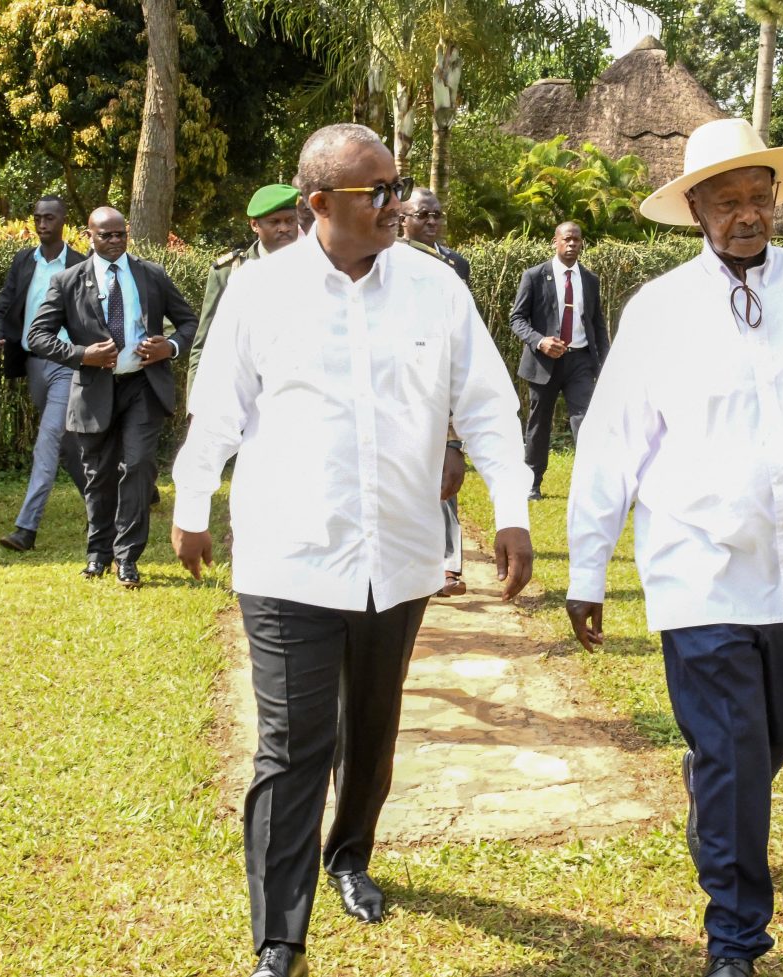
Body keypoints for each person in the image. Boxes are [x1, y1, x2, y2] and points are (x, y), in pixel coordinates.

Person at [171, 123, 533, 977]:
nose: (396, 205)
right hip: (290, 553)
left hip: (398, 555)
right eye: (377, 192)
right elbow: (215, 408)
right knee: (293, 743)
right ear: (318, 203)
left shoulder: (436, 290)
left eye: (397, 186)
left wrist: (511, 507)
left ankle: (351, 857)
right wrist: (192, 501)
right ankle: (279, 938)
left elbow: (484, 403)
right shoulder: (261, 293)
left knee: (370, 732)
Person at [564, 118, 783, 977]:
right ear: (695, 208)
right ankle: (735, 942)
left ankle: (714, 783)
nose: (746, 215)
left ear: (776, 199)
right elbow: (610, 443)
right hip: (698, 565)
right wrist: (588, 570)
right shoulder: (659, 310)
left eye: (758, 198)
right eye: (727, 202)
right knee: (739, 755)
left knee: (780, 732)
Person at [28, 206, 198, 588]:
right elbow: (38, 336)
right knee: (98, 475)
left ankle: (127, 558)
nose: (115, 241)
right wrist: (81, 355)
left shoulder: (151, 274)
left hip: (142, 385)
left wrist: (168, 347)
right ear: (89, 236)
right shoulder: (68, 281)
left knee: (138, 467)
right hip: (94, 390)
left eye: (121, 234)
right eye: (106, 235)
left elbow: (188, 321)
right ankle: (97, 553)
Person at [0, 195, 88, 551]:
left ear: (63, 221)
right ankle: (106, 506)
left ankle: (26, 529)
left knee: (46, 441)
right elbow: (4, 304)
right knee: (67, 446)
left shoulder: (79, 264)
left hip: (66, 365)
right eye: (38, 218)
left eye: (49, 218)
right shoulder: (23, 261)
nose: (42, 224)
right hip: (32, 363)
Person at [399, 186, 470, 597]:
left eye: (436, 215)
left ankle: (448, 567)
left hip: (436, 380)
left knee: (444, 473)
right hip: (399, 383)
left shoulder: (454, 265)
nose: (430, 222)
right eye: (422, 215)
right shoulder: (384, 260)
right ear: (403, 219)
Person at [509, 221, 608, 500]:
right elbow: (517, 318)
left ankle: (593, 483)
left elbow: (597, 324)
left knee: (586, 421)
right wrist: (540, 341)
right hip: (544, 362)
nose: (572, 244)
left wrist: (605, 364)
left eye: (577, 239)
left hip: (580, 361)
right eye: (567, 239)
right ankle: (532, 482)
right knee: (539, 424)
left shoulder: (590, 280)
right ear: (555, 242)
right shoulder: (535, 276)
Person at [187, 184, 300, 399]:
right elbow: (204, 346)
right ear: (254, 224)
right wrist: (196, 407)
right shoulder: (228, 271)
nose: (284, 228)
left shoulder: (314, 267)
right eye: (275, 222)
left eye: (290, 220)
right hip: (242, 394)